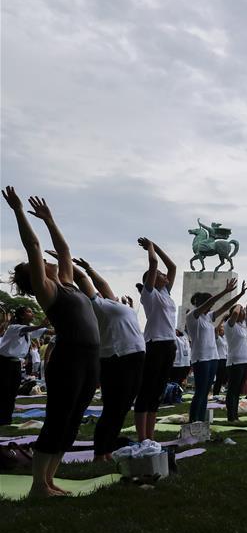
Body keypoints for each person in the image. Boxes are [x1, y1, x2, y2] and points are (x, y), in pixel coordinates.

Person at [3, 188, 100, 497]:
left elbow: (65, 250)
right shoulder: (48, 291)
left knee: (72, 423)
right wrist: (19, 211)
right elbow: (32, 244)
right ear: (36, 275)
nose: (49, 260)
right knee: (58, 419)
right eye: (41, 262)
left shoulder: (68, 283)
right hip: (68, 359)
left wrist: (50, 220)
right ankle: (37, 486)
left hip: (90, 358)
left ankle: (50, 481)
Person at [61, 254, 146, 461]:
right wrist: (71, 266)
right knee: (113, 408)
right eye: (96, 291)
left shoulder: (114, 304)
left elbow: (103, 284)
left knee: (123, 407)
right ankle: (100, 452)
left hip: (134, 356)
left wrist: (89, 268)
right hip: (117, 358)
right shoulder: (97, 306)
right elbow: (82, 282)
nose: (101, 290)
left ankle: (108, 448)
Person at [134, 236, 178, 442]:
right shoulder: (149, 295)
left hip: (169, 345)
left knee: (157, 392)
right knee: (146, 391)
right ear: (151, 280)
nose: (164, 274)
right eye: (159, 274)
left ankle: (150, 436)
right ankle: (142, 436)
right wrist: (150, 249)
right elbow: (154, 264)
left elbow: (172, 266)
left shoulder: (166, 294)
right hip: (155, 344)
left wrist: (157, 246)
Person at [184, 279, 244, 423]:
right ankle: (194, 421)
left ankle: (200, 422)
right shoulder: (193, 315)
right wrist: (224, 291)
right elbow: (211, 302)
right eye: (209, 303)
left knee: (205, 392)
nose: (212, 306)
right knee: (200, 391)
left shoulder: (208, 317)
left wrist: (239, 295)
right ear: (203, 303)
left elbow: (225, 307)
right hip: (201, 358)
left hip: (212, 358)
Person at [0, 306, 49, 425]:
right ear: (21, 315)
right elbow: (29, 329)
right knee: (4, 390)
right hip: (4, 363)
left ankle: (6, 418)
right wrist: (41, 325)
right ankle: (2, 417)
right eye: (29, 311)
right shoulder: (14, 327)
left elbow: (48, 331)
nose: (32, 313)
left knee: (12, 392)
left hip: (16, 364)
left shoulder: (29, 330)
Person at [224, 287, 247, 422]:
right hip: (235, 361)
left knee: (238, 391)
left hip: (245, 360)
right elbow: (235, 314)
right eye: (241, 310)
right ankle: (231, 416)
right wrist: (238, 305)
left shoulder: (242, 325)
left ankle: (235, 415)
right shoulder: (230, 325)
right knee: (233, 390)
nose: (243, 312)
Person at [212, 322, 229, 396]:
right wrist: (221, 322)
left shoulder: (225, 338)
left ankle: (218, 392)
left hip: (225, 359)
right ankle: (215, 393)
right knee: (219, 378)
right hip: (219, 359)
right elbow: (215, 330)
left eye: (223, 330)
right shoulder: (217, 337)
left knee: (222, 378)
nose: (223, 331)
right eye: (221, 330)